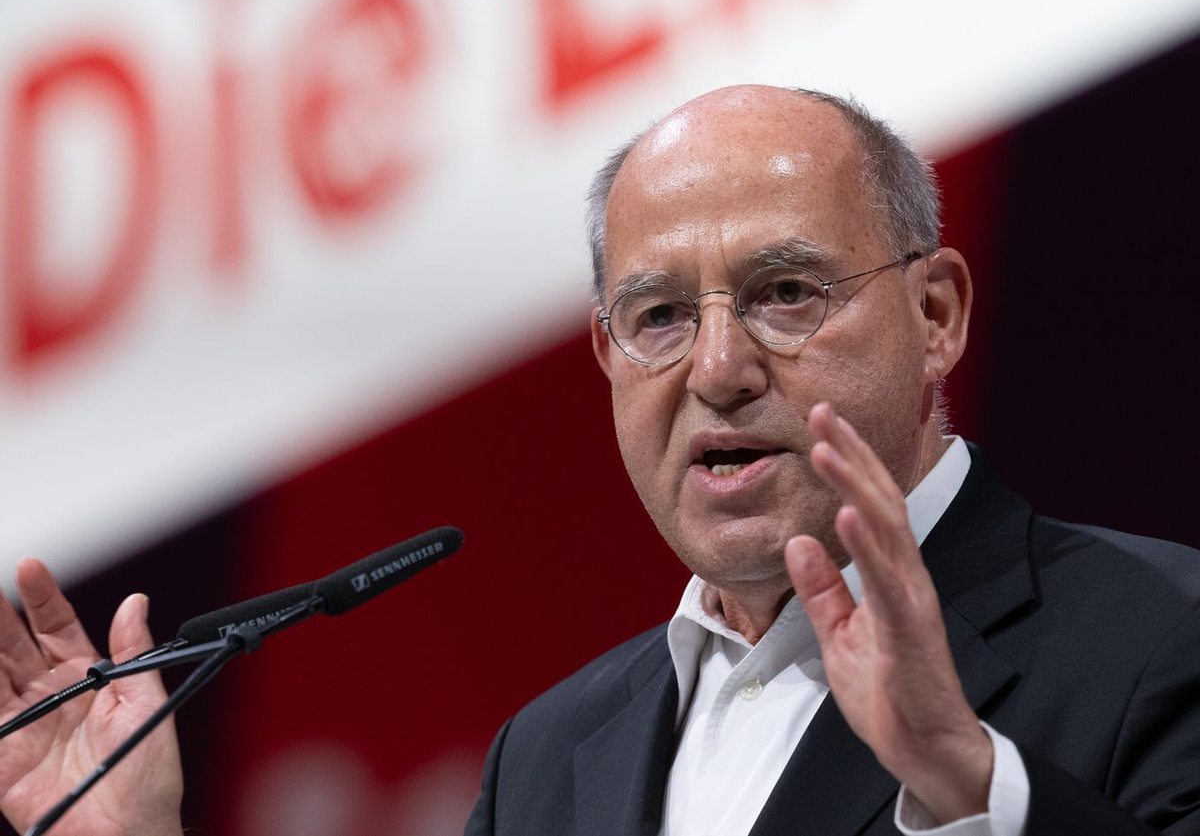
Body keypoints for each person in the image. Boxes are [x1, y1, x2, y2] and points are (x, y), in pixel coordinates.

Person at [2, 84, 1199, 835]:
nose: (719, 367)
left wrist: (970, 784)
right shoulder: (557, 750)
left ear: (935, 311)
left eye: (786, 293)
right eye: (661, 316)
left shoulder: (1159, 637)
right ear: (607, 356)